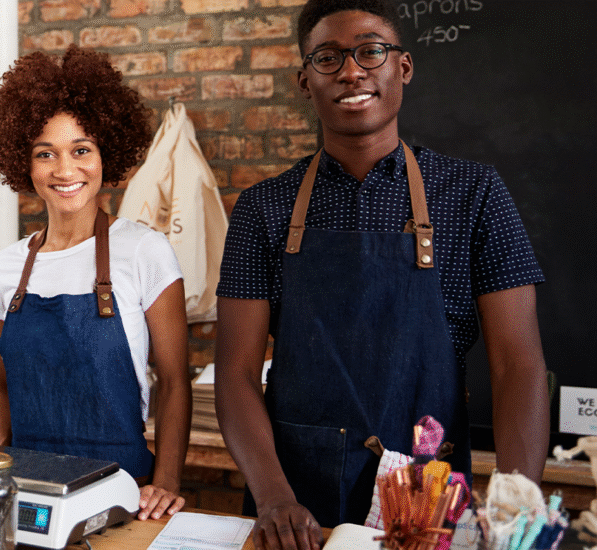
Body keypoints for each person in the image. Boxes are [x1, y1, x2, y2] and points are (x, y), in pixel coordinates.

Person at [213, 0, 550, 548]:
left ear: (403, 66)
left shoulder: (474, 194)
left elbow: (519, 367)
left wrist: (516, 509)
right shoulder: (263, 209)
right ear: (304, 81)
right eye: (328, 58)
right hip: (296, 508)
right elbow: (235, 373)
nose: (351, 71)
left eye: (370, 51)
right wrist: (274, 497)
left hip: (426, 494)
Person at [0, 45, 192, 521]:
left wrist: (167, 482)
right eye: (45, 154)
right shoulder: (7, 268)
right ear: (23, 163)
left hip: (123, 495)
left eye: (81, 150)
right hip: (27, 495)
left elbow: (175, 382)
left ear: (104, 154)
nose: (65, 170)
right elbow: (1, 391)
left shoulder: (145, 252)